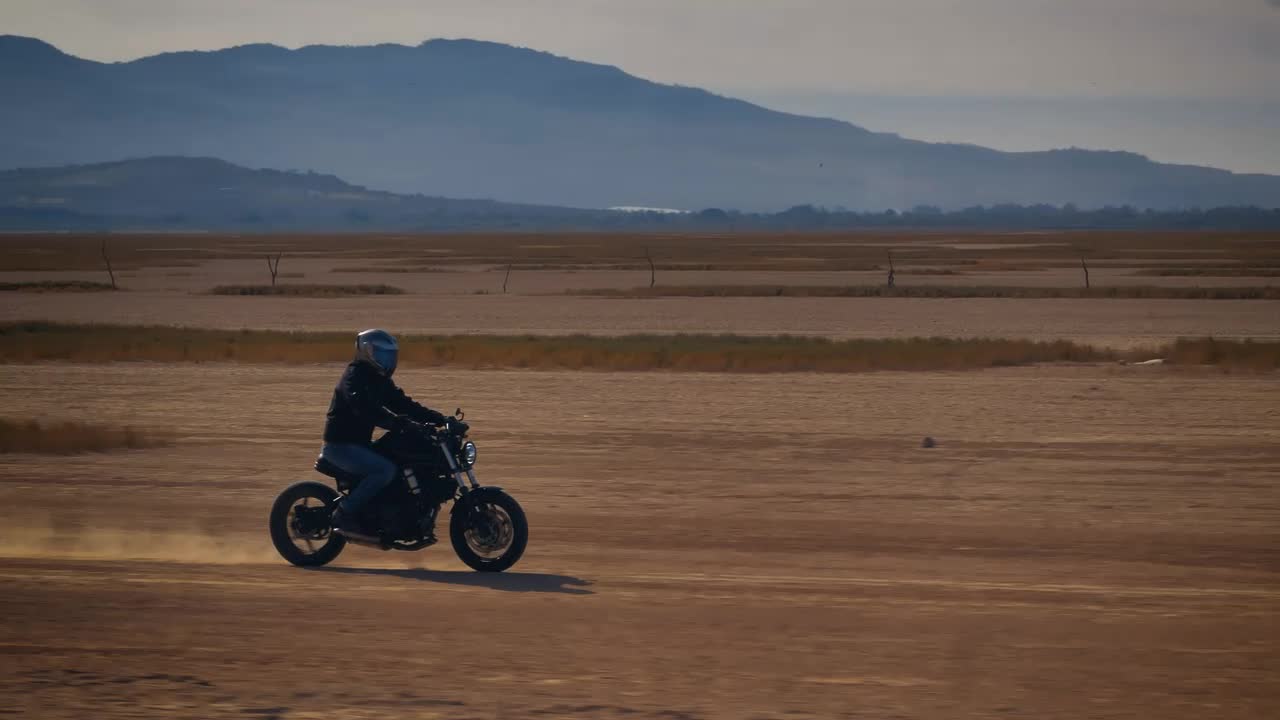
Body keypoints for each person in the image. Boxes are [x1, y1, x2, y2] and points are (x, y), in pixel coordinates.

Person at [321, 329, 448, 537]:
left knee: (403, 461)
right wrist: (396, 423)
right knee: (385, 470)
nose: (387, 360)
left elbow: (402, 404)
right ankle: (344, 513)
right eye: (382, 354)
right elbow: (363, 406)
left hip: (360, 446)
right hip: (340, 447)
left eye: (390, 355)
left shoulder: (378, 380)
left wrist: (440, 419)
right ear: (367, 352)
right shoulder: (354, 377)